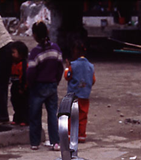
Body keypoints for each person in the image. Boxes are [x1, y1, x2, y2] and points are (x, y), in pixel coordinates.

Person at [25, 22, 63, 151]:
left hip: (38, 86)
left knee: (35, 114)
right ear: (47, 32)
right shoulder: (56, 48)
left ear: (35, 35)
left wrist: (30, 84)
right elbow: (60, 68)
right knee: (52, 114)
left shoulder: (35, 52)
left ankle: (35, 142)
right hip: (52, 85)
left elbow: (31, 72)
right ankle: (55, 142)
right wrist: (56, 81)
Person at [64, 41, 95, 141]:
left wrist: (66, 68)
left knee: (71, 115)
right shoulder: (91, 66)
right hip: (85, 96)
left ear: (75, 51)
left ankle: (70, 134)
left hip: (73, 96)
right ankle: (81, 135)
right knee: (82, 116)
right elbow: (93, 80)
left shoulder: (73, 65)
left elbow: (67, 76)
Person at [8, 41, 29, 126]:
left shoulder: (23, 64)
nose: (12, 54)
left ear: (21, 54)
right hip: (14, 86)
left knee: (23, 103)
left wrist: (22, 88)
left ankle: (25, 119)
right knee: (15, 102)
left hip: (22, 87)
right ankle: (17, 118)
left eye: (14, 52)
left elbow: (24, 77)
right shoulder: (13, 63)